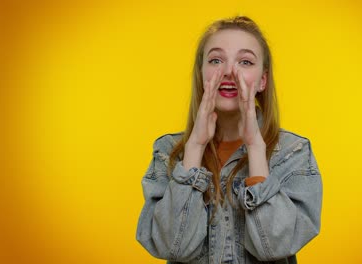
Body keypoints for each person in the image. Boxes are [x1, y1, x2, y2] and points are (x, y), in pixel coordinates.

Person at [136, 16, 323, 263]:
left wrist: (256, 149)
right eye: (216, 60)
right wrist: (195, 147)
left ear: (263, 81)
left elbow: (276, 247)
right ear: (201, 74)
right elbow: (173, 247)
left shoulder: (293, 152)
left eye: (245, 62)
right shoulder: (167, 151)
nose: (228, 72)